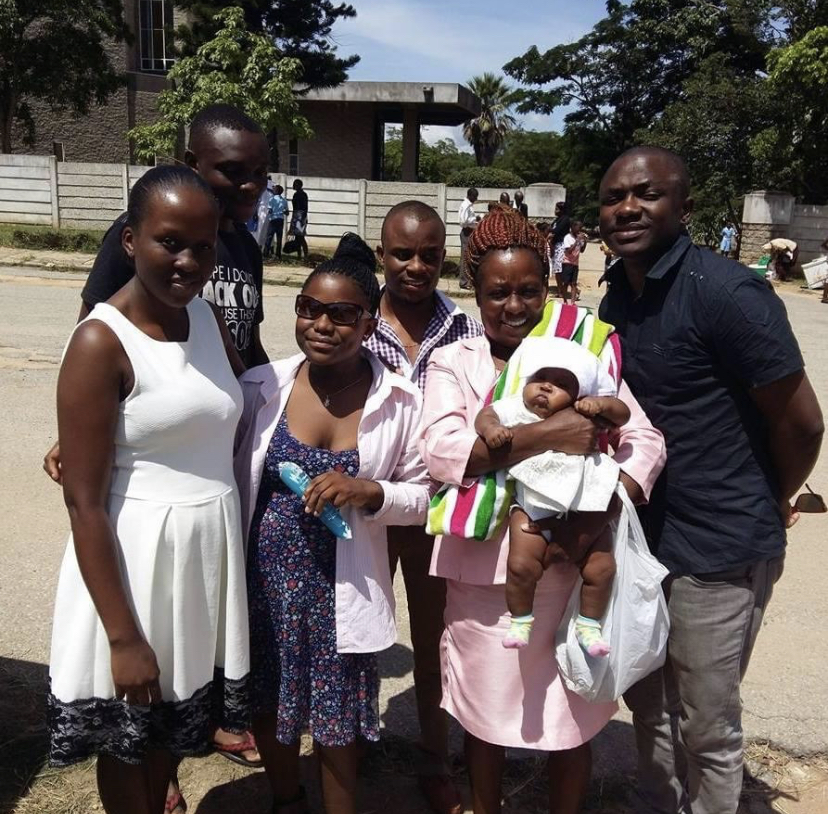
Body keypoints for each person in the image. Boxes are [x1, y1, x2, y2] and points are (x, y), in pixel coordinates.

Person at [598, 146, 824, 814]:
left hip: (721, 547)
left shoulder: (728, 292)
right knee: (646, 699)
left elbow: (803, 424)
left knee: (707, 720)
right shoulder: (616, 297)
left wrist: (770, 497)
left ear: (685, 207)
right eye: (613, 196)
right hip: (643, 540)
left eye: (647, 194)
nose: (627, 208)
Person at [420, 206, 666, 814]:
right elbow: (445, 450)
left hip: (570, 577)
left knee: (571, 719)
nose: (514, 305)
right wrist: (554, 434)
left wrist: (602, 507)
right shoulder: (457, 363)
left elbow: (645, 441)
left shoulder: (581, 356)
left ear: (549, 288)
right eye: (497, 292)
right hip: (483, 578)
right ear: (474, 293)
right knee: (484, 718)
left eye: (529, 290)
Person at [47, 166, 251, 814]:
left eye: (203, 244)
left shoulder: (209, 320)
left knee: (172, 725)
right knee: (127, 739)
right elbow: (83, 503)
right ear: (130, 240)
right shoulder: (101, 342)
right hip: (133, 569)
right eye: (170, 242)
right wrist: (122, 637)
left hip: (201, 564)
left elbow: (253, 400)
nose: (189, 260)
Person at [234, 233, 432, 814]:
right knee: (270, 701)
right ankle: (286, 798)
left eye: (342, 313)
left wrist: (370, 491)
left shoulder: (399, 401)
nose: (322, 323)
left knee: (337, 717)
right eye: (308, 308)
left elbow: (425, 497)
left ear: (369, 324)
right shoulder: (261, 387)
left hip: (342, 584)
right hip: (267, 579)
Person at [370, 200, 483, 814]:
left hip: (441, 510)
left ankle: (435, 756)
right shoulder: (358, 320)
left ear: (447, 258)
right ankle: (353, 735)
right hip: (370, 508)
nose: (416, 266)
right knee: (358, 628)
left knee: (435, 637)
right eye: (403, 254)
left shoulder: (465, 327)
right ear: (381, 253)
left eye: (430, 256)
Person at [73, 103, 270, 369]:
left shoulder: (247, 247)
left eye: (260, 173)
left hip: (226, 404)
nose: (251, 185)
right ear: (193, 164)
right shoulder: (144, 235)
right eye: (232, 171)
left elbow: (251, 346)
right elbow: (93, 328)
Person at [474, 337, 630, 653]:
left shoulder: (584, 410)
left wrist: (601, 405)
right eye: (540, 379)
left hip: (588, 507)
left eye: (560, 384)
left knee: (601, 569)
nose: (546, 388)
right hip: (534, 507)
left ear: (579, 393)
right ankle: (520, 619)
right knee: (520, 566)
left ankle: (589, 625)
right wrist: (490, 430)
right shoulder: (517, 408)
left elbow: (622, 413)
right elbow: (487, 415)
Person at [458, 187, 480, 289]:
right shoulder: (466, 205)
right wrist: (475, 220)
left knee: (468, 257)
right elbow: (463, 221)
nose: (476, 199)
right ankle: (463, 282)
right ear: (470, 195)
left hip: (469, 232)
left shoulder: (468, 205)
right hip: (466, 233)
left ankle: (467, 280)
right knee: (465, 258)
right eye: (475, 197)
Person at [560, 220, 586, 304]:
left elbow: (582, 250)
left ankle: (572, 302)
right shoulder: (568, 238)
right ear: (572, 228)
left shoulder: (579, 238)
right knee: (566, 282)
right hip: (567, 262)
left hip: (575, 263)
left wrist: (585, 242)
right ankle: (564, 300)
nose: (580, 230)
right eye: (578, 228)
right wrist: (576, 241)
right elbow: (568, 251)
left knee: (574, 283)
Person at [550, 201, 571, 295]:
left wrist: (550, 231)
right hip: (556, 245)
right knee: (556, 269)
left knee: (559, 269)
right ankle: (560, 290)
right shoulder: (557, 220)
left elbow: (557, 230)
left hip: (561, 245)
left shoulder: (565, 219)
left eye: (557, 209)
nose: (555, 211)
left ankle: (562, 290)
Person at [264, 184, 289, 260]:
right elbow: (287, 212)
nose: (273, 190)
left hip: (273, 220)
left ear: (276, 191)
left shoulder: (272, 199)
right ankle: (278, 254)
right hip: (280, 220)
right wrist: (281, 211)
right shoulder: (284, 200)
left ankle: (266, 253)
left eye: (274, 189)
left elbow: (270, 210)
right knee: (279, 238)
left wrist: (271, 212)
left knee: (269, 237)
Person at [289, 178, 309, 260]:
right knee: (298, 238)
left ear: (299, 185)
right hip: (297, 216)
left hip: (300, 217)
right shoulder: (296, 194)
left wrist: (300, 219)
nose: (293, 185)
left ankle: (305, 255)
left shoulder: (302, 194)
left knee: (300, 237)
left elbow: (304, 208)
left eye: (295, 184)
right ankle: (299, 256)